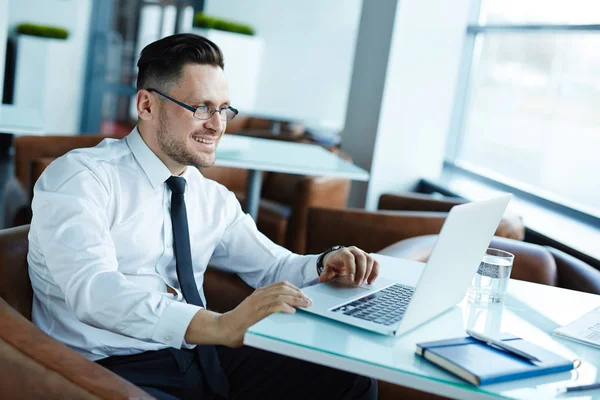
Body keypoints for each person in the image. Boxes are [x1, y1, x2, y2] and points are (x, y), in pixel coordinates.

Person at [28, 33, 378, 400]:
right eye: (201, 107)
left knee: (352, 380)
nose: (217, 124)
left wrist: (324, 264)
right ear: (146, 106)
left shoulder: (211, 197)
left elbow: (273, 266)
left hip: (198, 356)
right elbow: (94, 291)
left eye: (223, 108)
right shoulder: (81, 178)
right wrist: (217, 325)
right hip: (107, 371)